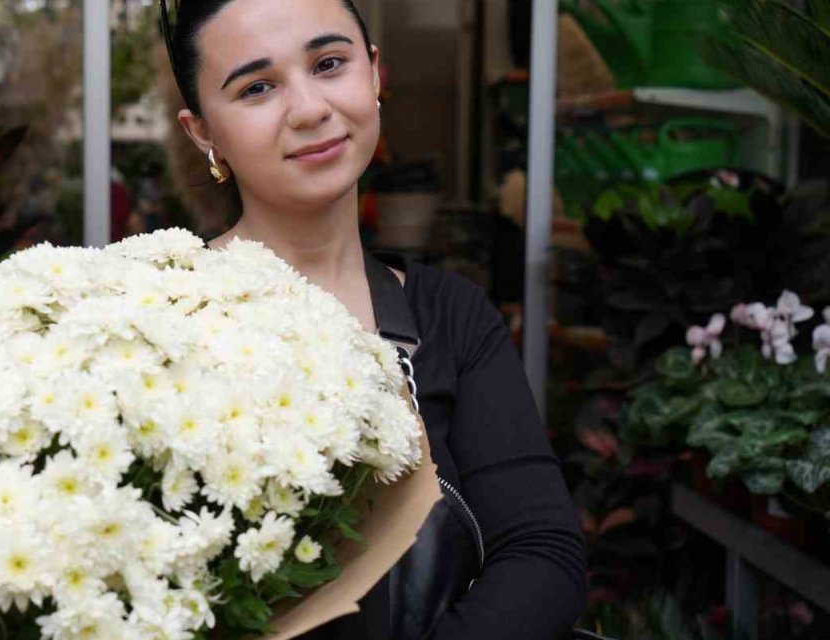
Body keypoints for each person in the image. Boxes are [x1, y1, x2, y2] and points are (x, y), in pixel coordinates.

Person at [159, 0, 588, 638]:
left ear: (374, 73)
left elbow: (542, 555)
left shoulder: (451, 317)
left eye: (329, 64)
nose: (308, 110)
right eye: (257, 88)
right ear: (204, 134)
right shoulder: (151, 320)